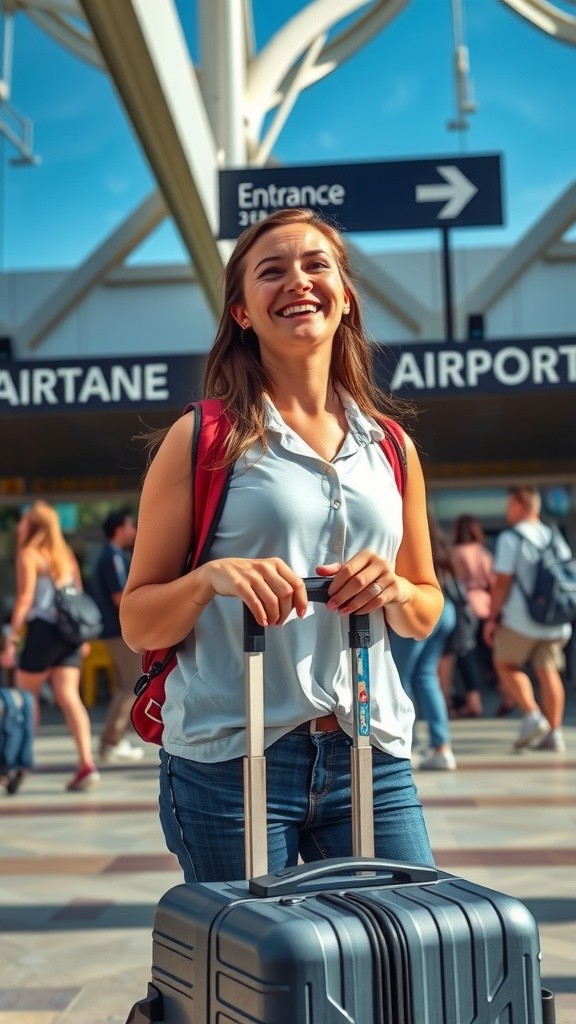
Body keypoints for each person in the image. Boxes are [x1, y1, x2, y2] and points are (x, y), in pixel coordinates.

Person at [120, 207, 444, 883]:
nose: (297, 280)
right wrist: (209, 579)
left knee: (403, 943)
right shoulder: (202, 438)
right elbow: (139, 621)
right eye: (271, 271)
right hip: (230, 761)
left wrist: (393, 588)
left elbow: (423, 608)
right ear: (242, 312)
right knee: (256, 951)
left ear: (345, 296)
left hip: (370, 751)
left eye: (316, 265)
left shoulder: (391, 446)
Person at [0, 501, 100, 791]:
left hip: (43, 632)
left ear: (32, 524)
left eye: (23, 520)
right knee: (69, 697)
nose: (19, 525)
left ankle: (17, 763)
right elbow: (77, 594)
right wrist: (82, 640)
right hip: (69, 634)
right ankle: (86, 764)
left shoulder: (29, 554)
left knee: (25, 699)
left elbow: (24, 599)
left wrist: (11, 639)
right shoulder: (65, 554)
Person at [484, 486, 570, 752]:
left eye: (510, 504)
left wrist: (492, 617)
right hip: (555, 620)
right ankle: (555, 733)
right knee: (549, 671)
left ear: (520, 505)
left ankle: (533, 715)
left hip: (520, 620)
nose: (507, 510)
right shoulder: (553, 535)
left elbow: (502, 582)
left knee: (505, 663)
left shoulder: (511, 537)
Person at [390, 517, 457, 770]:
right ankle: (442, 747)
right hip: (444, 609)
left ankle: (407, 742)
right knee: (427, 677)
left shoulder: (405, 534)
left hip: (417, 611)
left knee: (400, 677)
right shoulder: (437, 540)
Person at [90, 508, 144, 762]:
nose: (133, 531)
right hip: (119, 630)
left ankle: (113, 740)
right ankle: (112, 741)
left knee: (125, 683)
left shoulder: (113, 555)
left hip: (114, 630)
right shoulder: (112, 557)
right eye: (130, 526)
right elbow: (119, 597)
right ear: (119, 529)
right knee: (131, 683)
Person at [449, 514, 494, 718]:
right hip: (486, 603)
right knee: (489, 655)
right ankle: (506, 694)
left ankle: (473, 701)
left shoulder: (455, 552)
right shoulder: (484, 552)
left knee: (466, 655)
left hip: (466, 606)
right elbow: (493, 580)